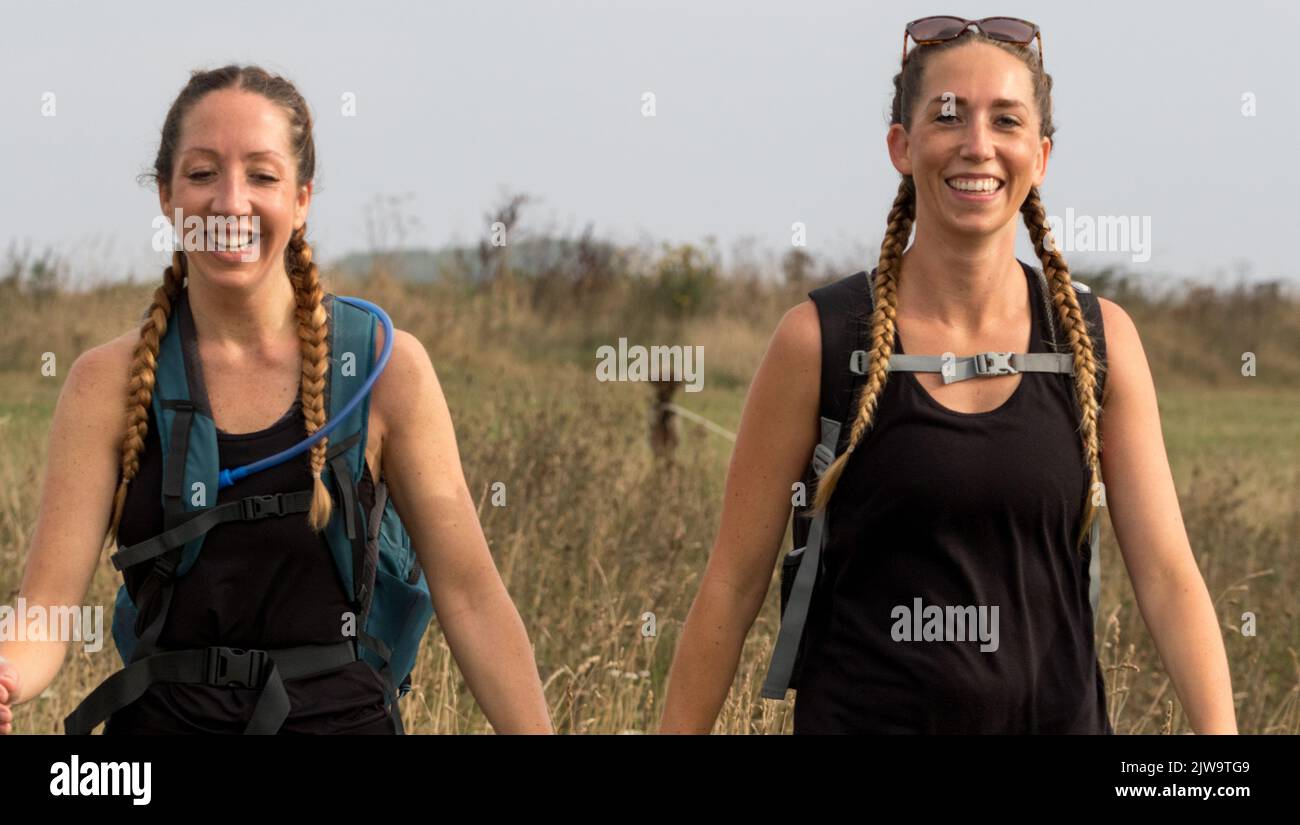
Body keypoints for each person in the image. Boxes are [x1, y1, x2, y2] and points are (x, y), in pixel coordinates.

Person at [659, 19, 1237, 734]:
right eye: (948, 117)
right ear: (902, 146)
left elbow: (1169, 577)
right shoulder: (820, 340)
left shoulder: (1098, 339)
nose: (977, 145)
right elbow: (730, 585)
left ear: (1041, 154)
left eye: (1006, 120)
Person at [0, 65, 552, 734]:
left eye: (262, 175)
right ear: (167, 196)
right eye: (202, 173)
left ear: (301, 199)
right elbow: (45, 612)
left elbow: (470, 597)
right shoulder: (103, 383)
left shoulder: (385, 367)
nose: (231, 202)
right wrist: (7, 675)